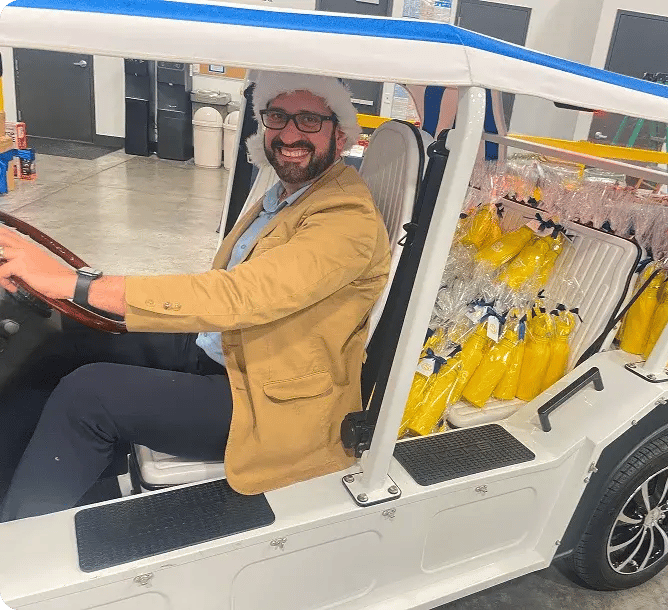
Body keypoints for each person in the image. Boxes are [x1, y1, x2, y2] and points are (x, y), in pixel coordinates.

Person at [0, 72, 391, 521]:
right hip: (229, 347)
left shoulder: (345, 218)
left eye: (309, 120)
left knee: (88, 396)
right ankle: (35, 486)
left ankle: (23, 543)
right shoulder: (292, 195)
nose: (288, 135)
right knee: (59, 344)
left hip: (269, 397)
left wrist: (76, 284)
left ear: (340, 136)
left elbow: (242, 295)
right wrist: (81, 293)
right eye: (278, 117)